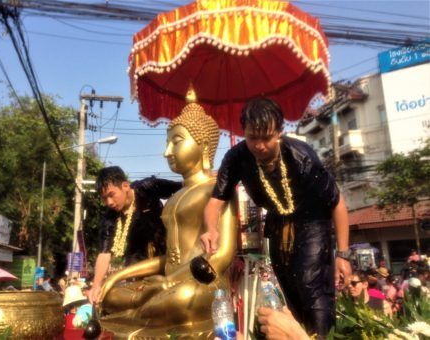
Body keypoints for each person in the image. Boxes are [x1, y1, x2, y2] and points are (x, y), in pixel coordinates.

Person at [200, 97, 351, 337]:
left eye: (266, 137)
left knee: (310, 285)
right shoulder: (236, 158)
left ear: (280, 133)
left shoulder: (302, 157)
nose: (259, 145)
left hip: (312, 221)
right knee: (289, 288)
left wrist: (343, 255)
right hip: (277, 223)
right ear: (244, 133)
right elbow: (216, 200)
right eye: (252, 138)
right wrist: (210, 228)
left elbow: (338, 204)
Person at [97, 90, 237, 338]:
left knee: (182, 298)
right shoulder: (171, 199)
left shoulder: (216, 191)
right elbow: (168, 260)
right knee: (112, 294)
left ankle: (135, 320)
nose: (167, 151)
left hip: (203, 282)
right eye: (167, 142)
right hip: (169, 282)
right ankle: (142, 315)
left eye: (177, 141)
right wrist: (119, 274)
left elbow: (223, 255)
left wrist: (170, 282)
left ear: (203, 144)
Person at [88, 166, 181, 304]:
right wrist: (96, 286)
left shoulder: (147, 187)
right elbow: (104, 253)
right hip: (136, 265)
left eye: (111, 195)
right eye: (104, 198)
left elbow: (182, 186)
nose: (109, 203)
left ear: (125, 185)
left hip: (166, 256)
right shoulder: (109, 217)